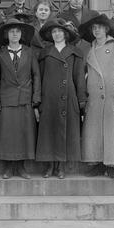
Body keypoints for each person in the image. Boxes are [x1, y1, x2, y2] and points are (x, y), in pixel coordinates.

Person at [77, 14, 114, 180]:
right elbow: (84, 73)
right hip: (94, 98)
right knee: (95, 132)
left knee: (112, 131)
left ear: (106, 29)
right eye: (94, 28)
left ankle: (111, 165)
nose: (96, 30)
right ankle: (98, 164)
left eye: (99, 27)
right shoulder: (89, 49)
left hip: (111, 97)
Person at [35, 18, 86, 179]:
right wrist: (37, 101)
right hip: (48, 97)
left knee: (64, 132)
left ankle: (61, 166)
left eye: (60, 32)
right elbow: (39, 78)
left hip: (68, 97)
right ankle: (49, 165)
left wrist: (81, 101)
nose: (57, 34)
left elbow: (79, 78)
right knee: (49, 131)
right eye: (54, 32)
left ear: (65, 34)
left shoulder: (75, 52)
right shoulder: (44, 53)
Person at [0, 18, 41, 179]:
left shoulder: (29, 52)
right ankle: (8, 168)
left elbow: (36, 76)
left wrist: (35, 98)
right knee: (7, 134)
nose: (14, 34)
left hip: (25, 99)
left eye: (17, 31)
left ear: (21, 34)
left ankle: (21, 168)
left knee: (23, 134)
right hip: (6, 99)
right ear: (7, 34)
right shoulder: (0, 53)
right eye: (11, 31)